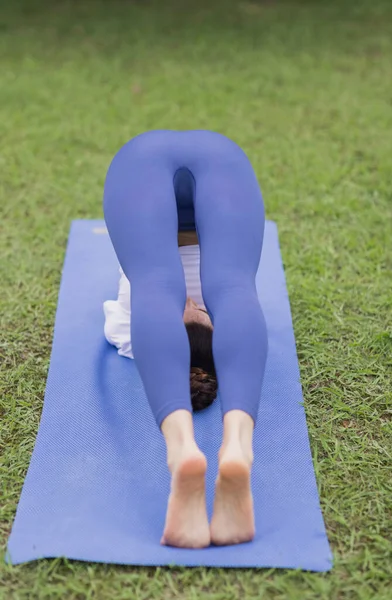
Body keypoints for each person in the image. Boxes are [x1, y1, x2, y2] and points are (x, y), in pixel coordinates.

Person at [103, 130, 268, 548]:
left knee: (163, 286)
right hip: (221, 158)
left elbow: (141, 325)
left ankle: (184, 451)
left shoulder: (139, 320)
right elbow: (128, 334)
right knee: (230, 288)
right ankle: (234, 447)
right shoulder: (129, 326)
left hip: (142, 160)